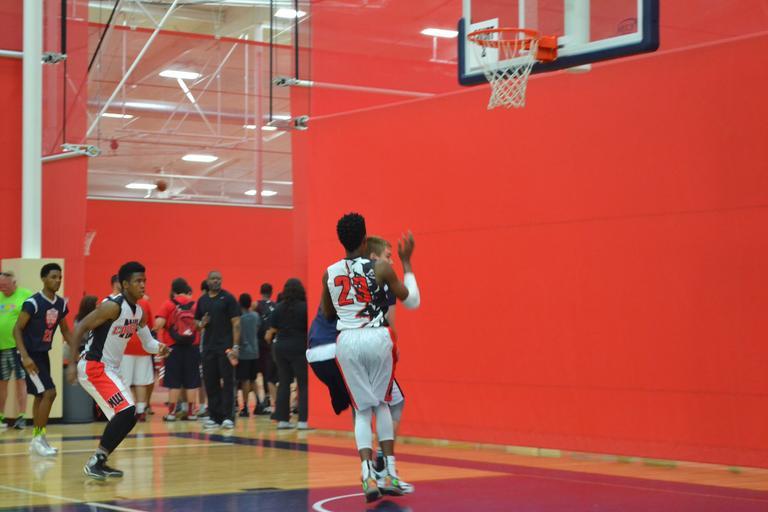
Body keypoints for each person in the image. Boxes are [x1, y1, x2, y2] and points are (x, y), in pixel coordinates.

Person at [321, 213, 420, 503]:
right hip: (377, 337)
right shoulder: (381, 268)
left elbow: (328, 313)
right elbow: (411, 299)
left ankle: (367, 475)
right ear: (365, 240)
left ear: (341, 241)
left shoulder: (329, 273)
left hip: (348, 341)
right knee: (383, 404)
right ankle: (389, 473)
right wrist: (406, 262)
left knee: (362, 411)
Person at [70, 261, 168, 480]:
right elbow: (80, 327)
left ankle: (99, 461)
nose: (143, 285)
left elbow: (148, 343)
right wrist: (71, 365)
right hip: (94, 366)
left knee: (128, 417)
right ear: (125, 284)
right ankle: (95, 461)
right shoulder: (112, 307)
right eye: (138, 281)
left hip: (111, 369)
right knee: (126, 411)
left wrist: (160, 347)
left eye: (144, 281)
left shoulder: (139, 312)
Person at [13, 263, 73, 456]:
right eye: (53, 277)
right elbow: (17, 329)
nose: (58, 280)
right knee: (50, 393)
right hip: (29, 354)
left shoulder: (61, 304)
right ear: (44, 279)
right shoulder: (33, 303)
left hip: (42, 353)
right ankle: (39, 439)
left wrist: (77, 352)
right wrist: (25, 356)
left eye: (60, 277)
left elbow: (65, 330)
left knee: (41, 395)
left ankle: (37, 440)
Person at [195, 270, 240, 430]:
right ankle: (215, 417)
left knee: (227, 382)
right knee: (210, 382)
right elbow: (196, 324)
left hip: (226, 348)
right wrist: (202, 323)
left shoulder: (228, 298)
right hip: (208, 348)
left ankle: (228, 417)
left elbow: (236, 323)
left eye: (219, 279)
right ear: (208, 281)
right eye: (213, 279)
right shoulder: (202, 300)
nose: (216, 281)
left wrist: (235, 347)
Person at [155, 278, 200, 421]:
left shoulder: (169, 304)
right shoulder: (195, 305)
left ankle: (172, 413)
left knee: (174, 382)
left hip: (173, 348)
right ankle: (191, 413)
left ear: (173, 290)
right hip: (192, 346)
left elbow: (158, 323)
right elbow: (200, 325)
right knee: (191, 382)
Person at [265, 279, 308, 429]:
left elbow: (271, 330)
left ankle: (283, 420)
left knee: (283, 383)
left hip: (281, 347)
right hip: (299, 346)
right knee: (303, 384)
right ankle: (303, 421)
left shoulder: (278, 307)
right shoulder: (305, 307)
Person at [0, 270, 32, 430]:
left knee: (20, 381)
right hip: (1, 348)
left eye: (5, 285)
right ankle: (1, 417)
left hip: (17, 347)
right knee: (2, 383)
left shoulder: (25, 295)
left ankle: (21, 417)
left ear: (14, 283)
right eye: (0, 285)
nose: (2, 288)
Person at [118, 294, 155, 422]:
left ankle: (127, 410)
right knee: (141, 381)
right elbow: (150, 325)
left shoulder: (119, 302)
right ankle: (140, 411)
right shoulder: (145, 303)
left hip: (125, 346)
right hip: (143, 347)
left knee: (125, 381)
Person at [236, 293, 260, 417]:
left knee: (244, 380)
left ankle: (245, 407)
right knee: (253, 379)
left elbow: (237, 334)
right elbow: (257, 329)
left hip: (244, 352)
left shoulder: (239, 318)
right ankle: (259, 403)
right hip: (255, 351)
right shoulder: (256, 316)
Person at [254, 283, 277, 415]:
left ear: (260, 291)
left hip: (259, 345)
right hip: (272, 344)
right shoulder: (275, 305)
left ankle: (262, 401)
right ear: (271, 292)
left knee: (260, 373)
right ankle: (268, 400)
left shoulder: (256, 305)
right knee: (270, 373)